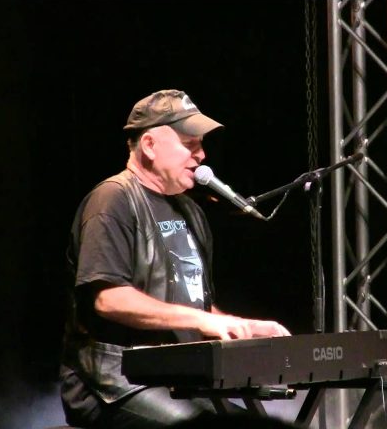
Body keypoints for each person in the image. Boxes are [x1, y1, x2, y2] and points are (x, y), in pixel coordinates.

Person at [60, 89, 292, 429]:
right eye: (189, 144)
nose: (201, 155)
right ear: (150, 145)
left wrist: (240, 326)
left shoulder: (189, 210)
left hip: (176, 379)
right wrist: (202, 321)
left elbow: (194, 303)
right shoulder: (112, 200)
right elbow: (108, 299)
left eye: (201, 145)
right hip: (115, 385)